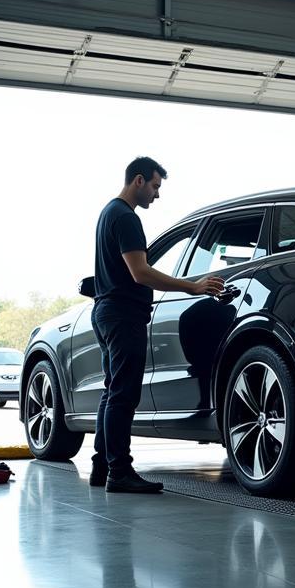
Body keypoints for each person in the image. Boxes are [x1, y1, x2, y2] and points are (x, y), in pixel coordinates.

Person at [90, 157, 224, 493]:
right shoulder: (125, 217)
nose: (156, 195)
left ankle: (101, 467)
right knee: (123, 394)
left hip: (106, 311)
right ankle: (119, 472)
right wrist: (192, 286)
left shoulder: (108, 213)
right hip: (122, 315)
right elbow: (141, 272)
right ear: (138, 181)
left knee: (112, 393)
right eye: (155, 186)